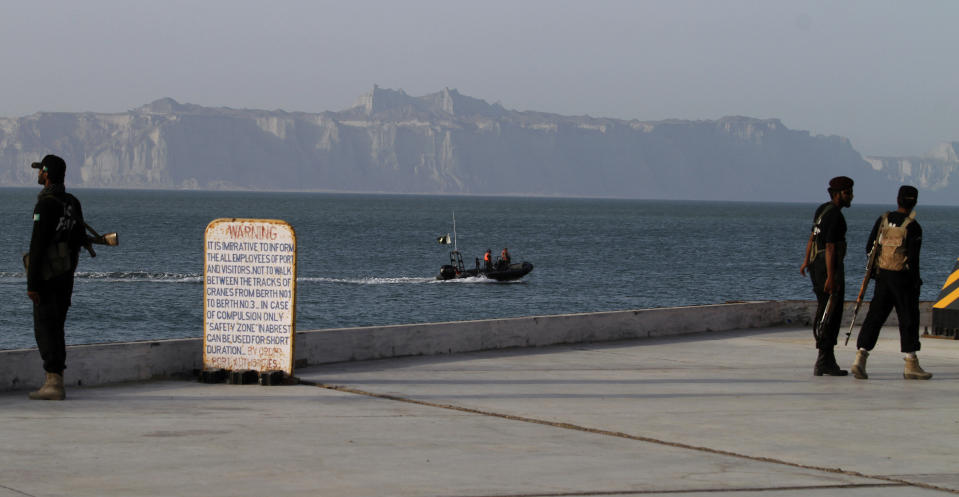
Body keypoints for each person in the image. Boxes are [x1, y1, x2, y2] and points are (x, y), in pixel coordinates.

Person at [850, 186, 931, 380]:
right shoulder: (913, 226)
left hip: (882, 277)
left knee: (875, 317)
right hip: (903, 279)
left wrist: (877, 271)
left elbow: (869, 247)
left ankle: (860, 358)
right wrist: (916, 283)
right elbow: (913, 259)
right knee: (908, 318)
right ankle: (911, 363)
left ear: (898, 199)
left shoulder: (883, 220)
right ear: (914, 203)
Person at [26, 155, 87, 400]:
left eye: (40, 170)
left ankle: (53, 383)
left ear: (47, 174)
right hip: (65, 276)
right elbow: (78, 239)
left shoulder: (45, 205)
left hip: (48, 278)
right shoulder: (72, 202)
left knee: (45, 327)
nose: (38, 173)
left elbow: (37, 246)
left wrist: (32, 284)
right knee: (57, 326)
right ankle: (56, 379)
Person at [800, 176, 853, 376]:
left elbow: (812, 237)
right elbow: (830, 247)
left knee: (825, 310)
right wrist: (831, 277)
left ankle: (827, 360)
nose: (851, 197)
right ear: (838, 194)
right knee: (831, 312)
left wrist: (806, 261)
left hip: (816, 265)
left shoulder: (822, 210)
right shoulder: (836, 217)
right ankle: (823, 361)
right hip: (828, 267)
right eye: (848, 193)